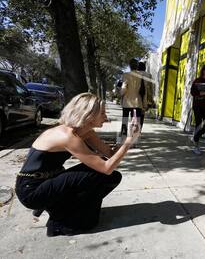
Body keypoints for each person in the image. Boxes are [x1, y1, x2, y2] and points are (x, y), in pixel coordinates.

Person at [15, 93, 140, 237]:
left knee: (112, 177)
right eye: (103, 113)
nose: (106, 118)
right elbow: (106, 168)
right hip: (31, 190)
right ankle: (58, 223)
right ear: (89, 115)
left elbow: (110, 155)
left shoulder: (86, 132)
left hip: (49, 179)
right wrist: (129, 141)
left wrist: (127, 137)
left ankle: (59, 207)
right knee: (98, 175)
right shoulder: (67, 136)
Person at [120, 58, 147, 137]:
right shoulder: (141, 76)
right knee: (136, 122)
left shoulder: (126, 75)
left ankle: (123, 138)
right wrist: (144, 103)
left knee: (124, 120)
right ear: (137, 65)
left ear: (129, 66)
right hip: (137, 102)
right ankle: (134, 140)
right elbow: (144, 90)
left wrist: (121, 93)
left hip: (127, 102)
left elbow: (124, 87)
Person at [190, 65, 205, 155]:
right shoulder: (197, 81)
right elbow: (192, 92)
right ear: (204, 71)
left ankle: (195, 136)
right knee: (199, 124)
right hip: (197, 106)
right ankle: (196, 146)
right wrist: (202, 93)